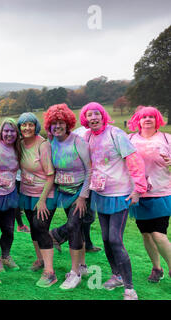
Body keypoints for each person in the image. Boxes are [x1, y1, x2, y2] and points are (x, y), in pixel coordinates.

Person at [80, 102, 147, 300]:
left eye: (96, 114)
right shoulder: (88, 136)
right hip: (100, 194)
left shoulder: (116, 134)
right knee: (107, 239)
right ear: (85, 119)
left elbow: (134, 160)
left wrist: (139, 189)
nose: (93, 118)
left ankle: (130, 288)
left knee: (116, 240)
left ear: (103, 115)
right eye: (89, 115)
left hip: (120, 194)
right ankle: (116, 275)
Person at [44, 104, 92, 289]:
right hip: (64, 193)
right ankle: (83, 265)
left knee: (73, 226)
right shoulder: (51, 143)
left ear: (68, 123)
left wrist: (83, 196)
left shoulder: (77, 142)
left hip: (80, 192)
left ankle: (75, 273)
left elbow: (90, 170)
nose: (57, 126)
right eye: (54, 123)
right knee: (77, 229)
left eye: (61, 123)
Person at [127, 106, 171, 282]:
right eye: (144, 116)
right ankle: (156, 268)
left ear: (157, 120)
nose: (147, 119)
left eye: (151, 117)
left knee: (159, 234)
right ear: (138, 120)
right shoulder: (129, 139)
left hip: (161, 192)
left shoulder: (167, 139)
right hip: (138, 194)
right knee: (146, 233)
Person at [17, 112, 57, 288]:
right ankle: (40, 260)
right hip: (27, 193)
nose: (27, 128)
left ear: (36, 126)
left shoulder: (43, 145)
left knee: (41, 228)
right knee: (34, 228)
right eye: (23, 125)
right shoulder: (19, 144)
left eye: (30, 124)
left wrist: (42, 200)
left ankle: (50, 272)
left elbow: (51, 175)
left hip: (44, 195)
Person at [0, 118, 21, 272]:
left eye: (12, 130)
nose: (9, 134)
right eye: (6, 130)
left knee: (8, 228)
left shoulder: (19, 148)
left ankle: (6, 256)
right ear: (1, 132)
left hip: (10, 194)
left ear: (17, 133)